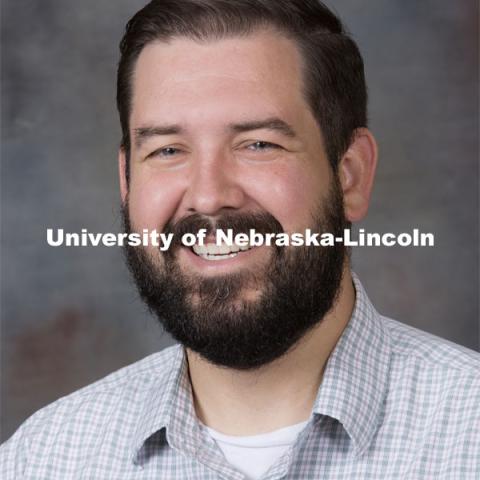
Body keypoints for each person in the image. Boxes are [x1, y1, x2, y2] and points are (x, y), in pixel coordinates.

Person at [1, 0, 479, 478]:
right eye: (168, 150)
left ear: (350, 175)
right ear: (127, 181)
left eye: (258, 145)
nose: (209, 198)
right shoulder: (42, 458)